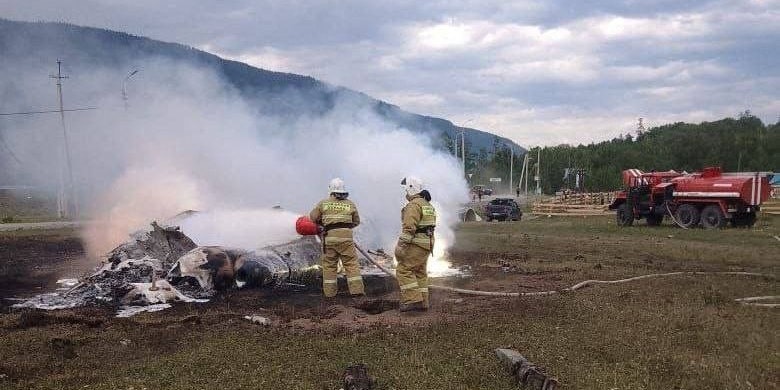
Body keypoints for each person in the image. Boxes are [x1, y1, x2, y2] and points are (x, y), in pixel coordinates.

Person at [309, 178, 365, 298]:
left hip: (330, 238)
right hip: (347, 239)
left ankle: (330, 294)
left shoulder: (323, 203)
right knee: (351, 264)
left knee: (329, 265)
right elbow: (357, 221)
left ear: (331, 190)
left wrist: (323, 222)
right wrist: (345, 228)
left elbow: (313, 218)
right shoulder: (350, 204)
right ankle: (357, 292)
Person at [395, 176, 436, 312]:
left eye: (406, 190)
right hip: (427, 244)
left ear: (411, 189)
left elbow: (409, 228)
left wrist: (401, 246)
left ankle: (413, 300)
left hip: (417, 243)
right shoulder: (427, 204)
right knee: (420, 272)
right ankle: (423, 302)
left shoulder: (413, 205)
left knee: (404, 269)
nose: (405, 194)